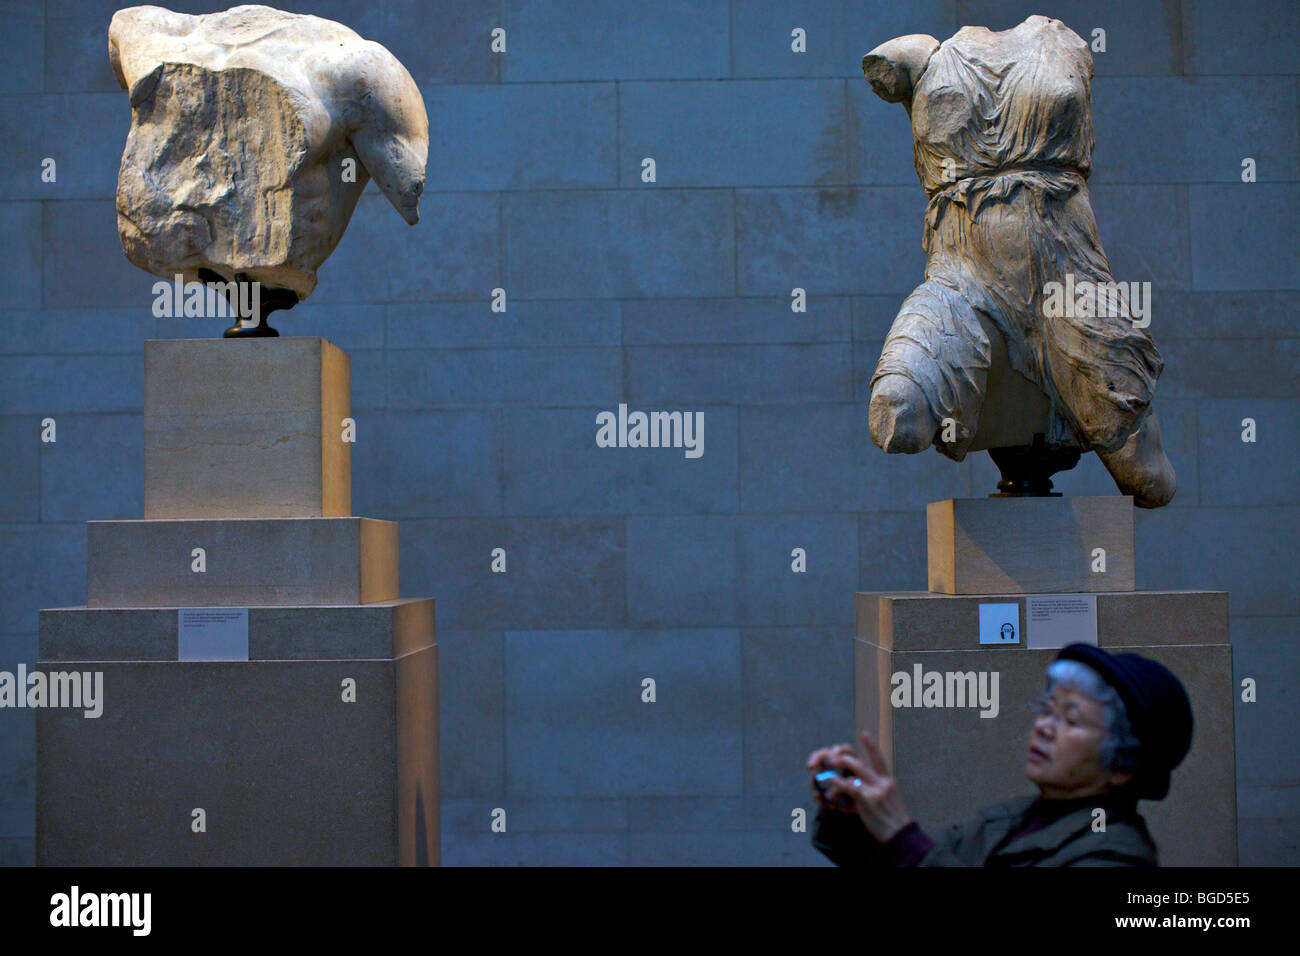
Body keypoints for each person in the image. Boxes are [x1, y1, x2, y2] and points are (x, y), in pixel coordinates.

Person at [807, 643, 1193, 866]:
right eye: (1046, 710)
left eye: (1070, 720)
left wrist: (900, 832)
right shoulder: (1010, 820)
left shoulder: (1114, 855)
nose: (1043, 727)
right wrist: (852, 814)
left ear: (1122, 766)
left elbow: (915, 855)